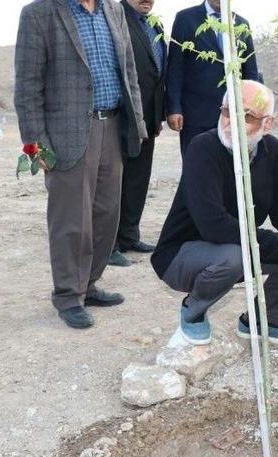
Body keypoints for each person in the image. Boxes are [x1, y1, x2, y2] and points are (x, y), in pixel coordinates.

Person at [151, 80, 278, 345]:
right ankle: (193, 312)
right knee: (236, 255)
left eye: (248, 116)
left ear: (268, 123)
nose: (232, 122)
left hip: (237, 248)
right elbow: (212, 225)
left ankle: (264, 321)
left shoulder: (271, 151)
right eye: (228, 111)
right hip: (182, 255)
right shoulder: (203, 148)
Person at [14, 0, 147, 329]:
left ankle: (88, 284)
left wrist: (138, 125)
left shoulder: (113, 10)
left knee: (105, 213)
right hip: (66, 136)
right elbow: (27, 87)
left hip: (112, 126)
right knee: (71, 220)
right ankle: (68, 295)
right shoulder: (39, 13)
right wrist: (35, 147)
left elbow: (129, 71)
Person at [109, 0, 169, 268]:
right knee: (113, 183)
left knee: (138, 179)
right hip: (122, 116)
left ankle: (129, 235)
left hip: (149, 115)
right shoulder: (114, 16)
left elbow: (157, 71)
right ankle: (108, 245)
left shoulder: (155, 24)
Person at [165, 0, 259, 159]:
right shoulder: (186, 19)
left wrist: (254, 108)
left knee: (233, 168)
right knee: (197, 166)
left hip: (233, 116)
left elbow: (250, 71)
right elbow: (175, 68)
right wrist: (174, 108)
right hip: (196, 114)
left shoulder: (241, 25)